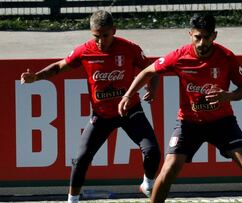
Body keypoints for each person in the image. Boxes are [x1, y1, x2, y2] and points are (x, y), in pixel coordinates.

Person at [118, 13, 242, 203]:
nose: (202, 42)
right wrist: (128, 94)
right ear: (190, 34)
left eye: (206, 37)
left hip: (222, 122)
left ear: (214, 35)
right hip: (189, 123)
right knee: (168, 169)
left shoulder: (226, 57)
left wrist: (227, 96)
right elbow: (148, 72)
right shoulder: (179, 56)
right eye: (198, 37)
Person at [20, 10, 161, 203]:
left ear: (114, 31)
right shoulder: (85, 50)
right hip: (101, 115)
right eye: (96, 36)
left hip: (130, 110)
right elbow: (60, 66)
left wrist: (152, 89)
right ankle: (72, 200)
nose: (101, 41)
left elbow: (151, 70)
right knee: (81, 159)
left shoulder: (130, 49)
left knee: (152, 151)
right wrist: (36, 77)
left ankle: (147, 184)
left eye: (105, 35)